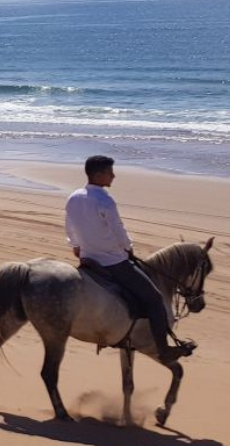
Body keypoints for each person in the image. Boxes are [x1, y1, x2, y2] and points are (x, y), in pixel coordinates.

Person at [65, 155, 193, 363]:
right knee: (154, 298)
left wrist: (76, 246)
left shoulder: (74, 196)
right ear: (98, 175)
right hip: (112, 262)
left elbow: (70, 225)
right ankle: (164, 349)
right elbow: (118, 230)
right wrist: (128, 248)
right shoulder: (105, 200)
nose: (113, 176)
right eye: (109, 172)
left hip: (88, 260)